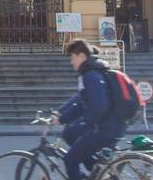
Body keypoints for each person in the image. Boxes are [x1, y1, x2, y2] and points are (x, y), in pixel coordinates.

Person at [52, 40, 127, 180]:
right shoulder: (93, 72)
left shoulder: (90, 75)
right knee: (69, 133)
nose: (71, 62)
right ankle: (97, 172)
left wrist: (87, 122)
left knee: (70, 160)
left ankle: (96, 172)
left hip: (105, 129)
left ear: (81, 56)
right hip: (111, 125)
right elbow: (81, 102)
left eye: (72, 57)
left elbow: (98, 106)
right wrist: (62, 115)